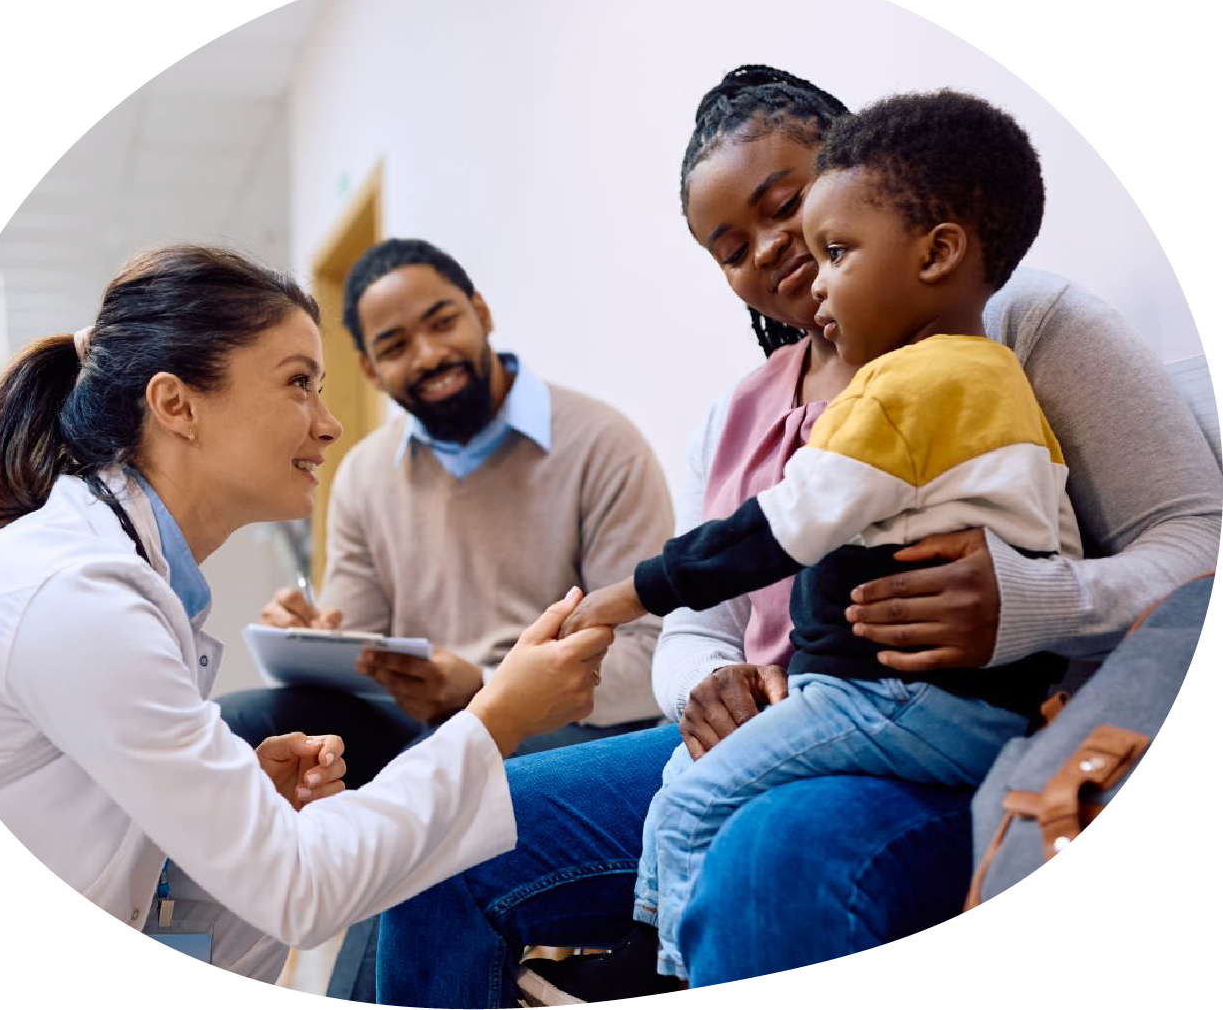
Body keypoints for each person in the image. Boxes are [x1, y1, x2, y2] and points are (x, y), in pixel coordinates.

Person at [376, 67, 1223, 1008]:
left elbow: (1193, 535)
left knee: (765, 855)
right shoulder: (738, 412)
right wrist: (705, 687)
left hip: (957, 729)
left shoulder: (1017, 323)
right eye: (730, 247)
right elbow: (706, 621)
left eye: (789, 205)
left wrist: (1031, 602)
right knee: (440, 831)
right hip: (786, 719)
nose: (775, 250)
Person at [0, 245, 615, 983]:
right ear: (176, 405)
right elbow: (295, 891)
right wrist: (492, 716)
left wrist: (233, 830)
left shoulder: (115, 577)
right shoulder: (82, 598)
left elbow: (206, 932)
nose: (330, 423)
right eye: (299, 384)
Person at [540, 88, 1079, 993]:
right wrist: (706, 682)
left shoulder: (908, 388)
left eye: (822, 238)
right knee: (673, 768)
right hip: (956, 707)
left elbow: (772, 533)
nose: (805, 272)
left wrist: (627, 592)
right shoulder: (989, 378)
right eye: (730, 249)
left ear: (934, 247)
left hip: (895, 702)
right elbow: (1050, 524)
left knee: (688, 804)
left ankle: (658, 974)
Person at [212, 237, 671, 999]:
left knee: (432, 798)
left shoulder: (600, 443)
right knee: (241, 722)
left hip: (562, 719)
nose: (428, 353)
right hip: (414, 717)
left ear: (480, 313)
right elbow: (357, 645)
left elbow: (648, 658)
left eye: (442, 321)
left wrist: (483, 686)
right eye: (394, 344)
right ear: (369, 369)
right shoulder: (362, 475)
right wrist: (309, 638)